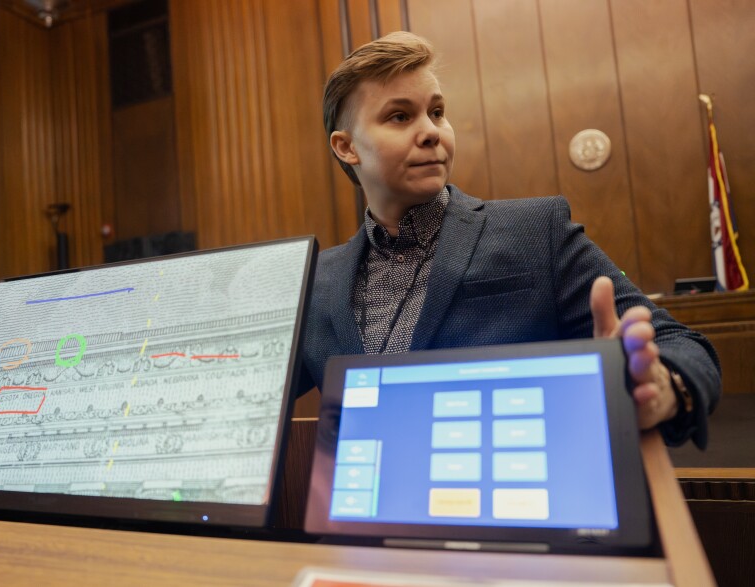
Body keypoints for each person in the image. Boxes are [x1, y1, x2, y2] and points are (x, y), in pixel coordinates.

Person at [298, 31, 720, 448]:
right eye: (400, 116)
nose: (431, 132)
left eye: (438, 112)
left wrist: (663, 387)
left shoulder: (538, 231)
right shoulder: (316, 282)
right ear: (346, 147)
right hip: (359, 510)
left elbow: (682, 344)